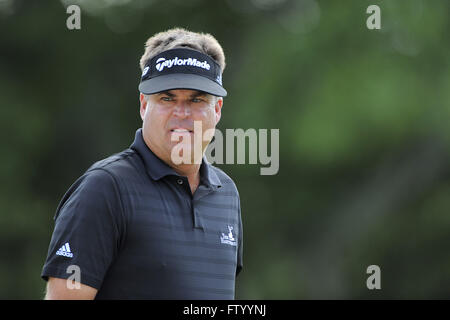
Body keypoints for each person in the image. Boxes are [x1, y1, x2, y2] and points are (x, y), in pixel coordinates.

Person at [41, 28, 243, 300]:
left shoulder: (226, 193)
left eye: (197, 99)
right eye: (167, 98)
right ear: (143, 105)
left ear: (217, 109)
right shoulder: (105, 188)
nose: (182, 113)